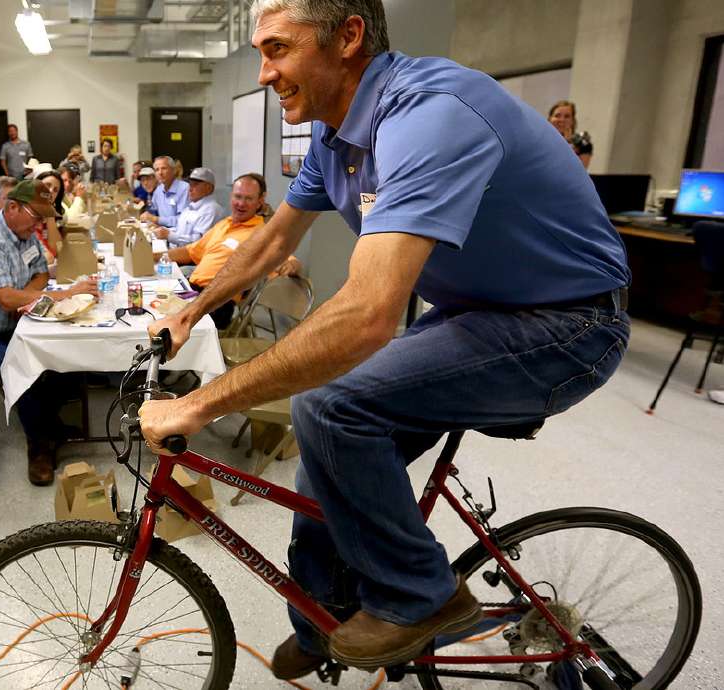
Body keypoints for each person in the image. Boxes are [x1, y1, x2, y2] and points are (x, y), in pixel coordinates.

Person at [140, 0, 630, 679]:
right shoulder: (336, 132)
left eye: (278, 49)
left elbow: (369, 313)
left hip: (568, 324)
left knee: (331, 406)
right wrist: (194, 310)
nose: (262, 73)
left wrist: (200, 404)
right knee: (324, 452)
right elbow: (274, 238)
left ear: (348, 37)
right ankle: (326, 618)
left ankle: (420, 596)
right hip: (480, 311)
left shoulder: (431, 114)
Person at [0, 180, 98, 485]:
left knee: (66, 361)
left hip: (13, 325)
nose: (40, 223)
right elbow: (5, 299)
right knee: (23, 368)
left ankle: (49, 424)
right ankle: (39, 445)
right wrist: (61, 294)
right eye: (36, 215)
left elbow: (41, 273)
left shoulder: (23, 232)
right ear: (13, 207)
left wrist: (26, 296)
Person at [160, 173, 300, 328]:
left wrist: (292, 264)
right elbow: (189, 251)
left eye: (248, 198)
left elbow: (287, 258)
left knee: (167, 326)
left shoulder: (262, 233)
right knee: (152, 310)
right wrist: (155, 256)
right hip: (192, 292)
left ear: (260, 201)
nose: (241, 203)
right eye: (237, 196)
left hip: (218, 302)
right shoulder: (224, 224)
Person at [154, 167, 222, 247]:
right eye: (190, 184)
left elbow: (198, 241)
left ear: (209, 188)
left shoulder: (211, 209)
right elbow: (180, 230)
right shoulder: (190, 207)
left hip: (191, 258)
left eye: (195, 185)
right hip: (177, 252)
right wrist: (162, 230)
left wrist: (169, 236)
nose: (190, 189)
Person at [140, 155, 189, 228]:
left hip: (178, 235)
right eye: (157, 170)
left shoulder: (185, 189)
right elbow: (153, 211)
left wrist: (156, 219)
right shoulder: (159, 190)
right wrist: (147, 216)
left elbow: (183, 220)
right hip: (161, 233)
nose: (160, 173)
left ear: (174, 170)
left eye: (164, 168)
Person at [548, 100, 592, 168]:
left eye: (567, 116)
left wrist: (567, 144)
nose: (561, 120)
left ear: (573, 121)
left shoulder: (583, 143)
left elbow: (579, 170)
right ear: (550, 119)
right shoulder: (541, 141)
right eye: (557, 116)